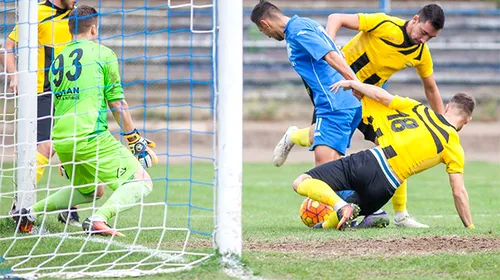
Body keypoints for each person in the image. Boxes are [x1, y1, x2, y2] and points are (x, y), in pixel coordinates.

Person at [274, 4, 446, 228]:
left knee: (396, 148)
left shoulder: (421, 54)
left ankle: (400, 215)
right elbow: (335, 17)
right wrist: (330, 45)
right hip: (337, 89)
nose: (424, 40)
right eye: (423, 33)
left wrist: (444, 123)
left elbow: (431, 88)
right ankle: (294, 137)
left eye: (430, 38)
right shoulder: (385, 24)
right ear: (415, 19)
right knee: (324, 161)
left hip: (369, 100)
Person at [12, 5, 157, 237]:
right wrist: (134, 140)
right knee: (141, 181)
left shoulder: (58, 59)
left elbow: (59, 104)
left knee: (92, 190)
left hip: (62, 138)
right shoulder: (103, 54)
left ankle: (28, 212)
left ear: (69, 30)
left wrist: (66, 150)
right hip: (90, 136)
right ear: (93, 29)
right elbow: (118, 104)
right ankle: (99, 219)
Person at [292, 79, 475, 230]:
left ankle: (341, 205)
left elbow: (382, 96)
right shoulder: (454, 147)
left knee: (301, 181)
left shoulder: (420, 109)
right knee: (339, 220)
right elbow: (458, 191)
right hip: (385, 189)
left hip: (370, 163)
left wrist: (354, 84)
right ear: (467, 120)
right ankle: (346, 218)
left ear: (448, 107)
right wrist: (470, 227)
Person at [5, 0, 91, 226]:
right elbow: (9, 45)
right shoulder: (37, 12)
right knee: (46, 145)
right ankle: (21, 201)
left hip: (71, 93)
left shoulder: (78, 16)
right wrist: (14, 76)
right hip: (44, 92)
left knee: (73, 147)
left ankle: (69, 208)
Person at [251, 1, 362, 168]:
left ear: (264, 23)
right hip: (346, 103)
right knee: (334, 174)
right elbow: (331, 50)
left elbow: (331, 56)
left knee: (324, 177)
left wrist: (355, 83)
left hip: (334, 104)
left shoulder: (297, 32)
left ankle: (293, 136)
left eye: (263, 31)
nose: (267, 35)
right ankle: (294, 136)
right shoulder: (306, 22)